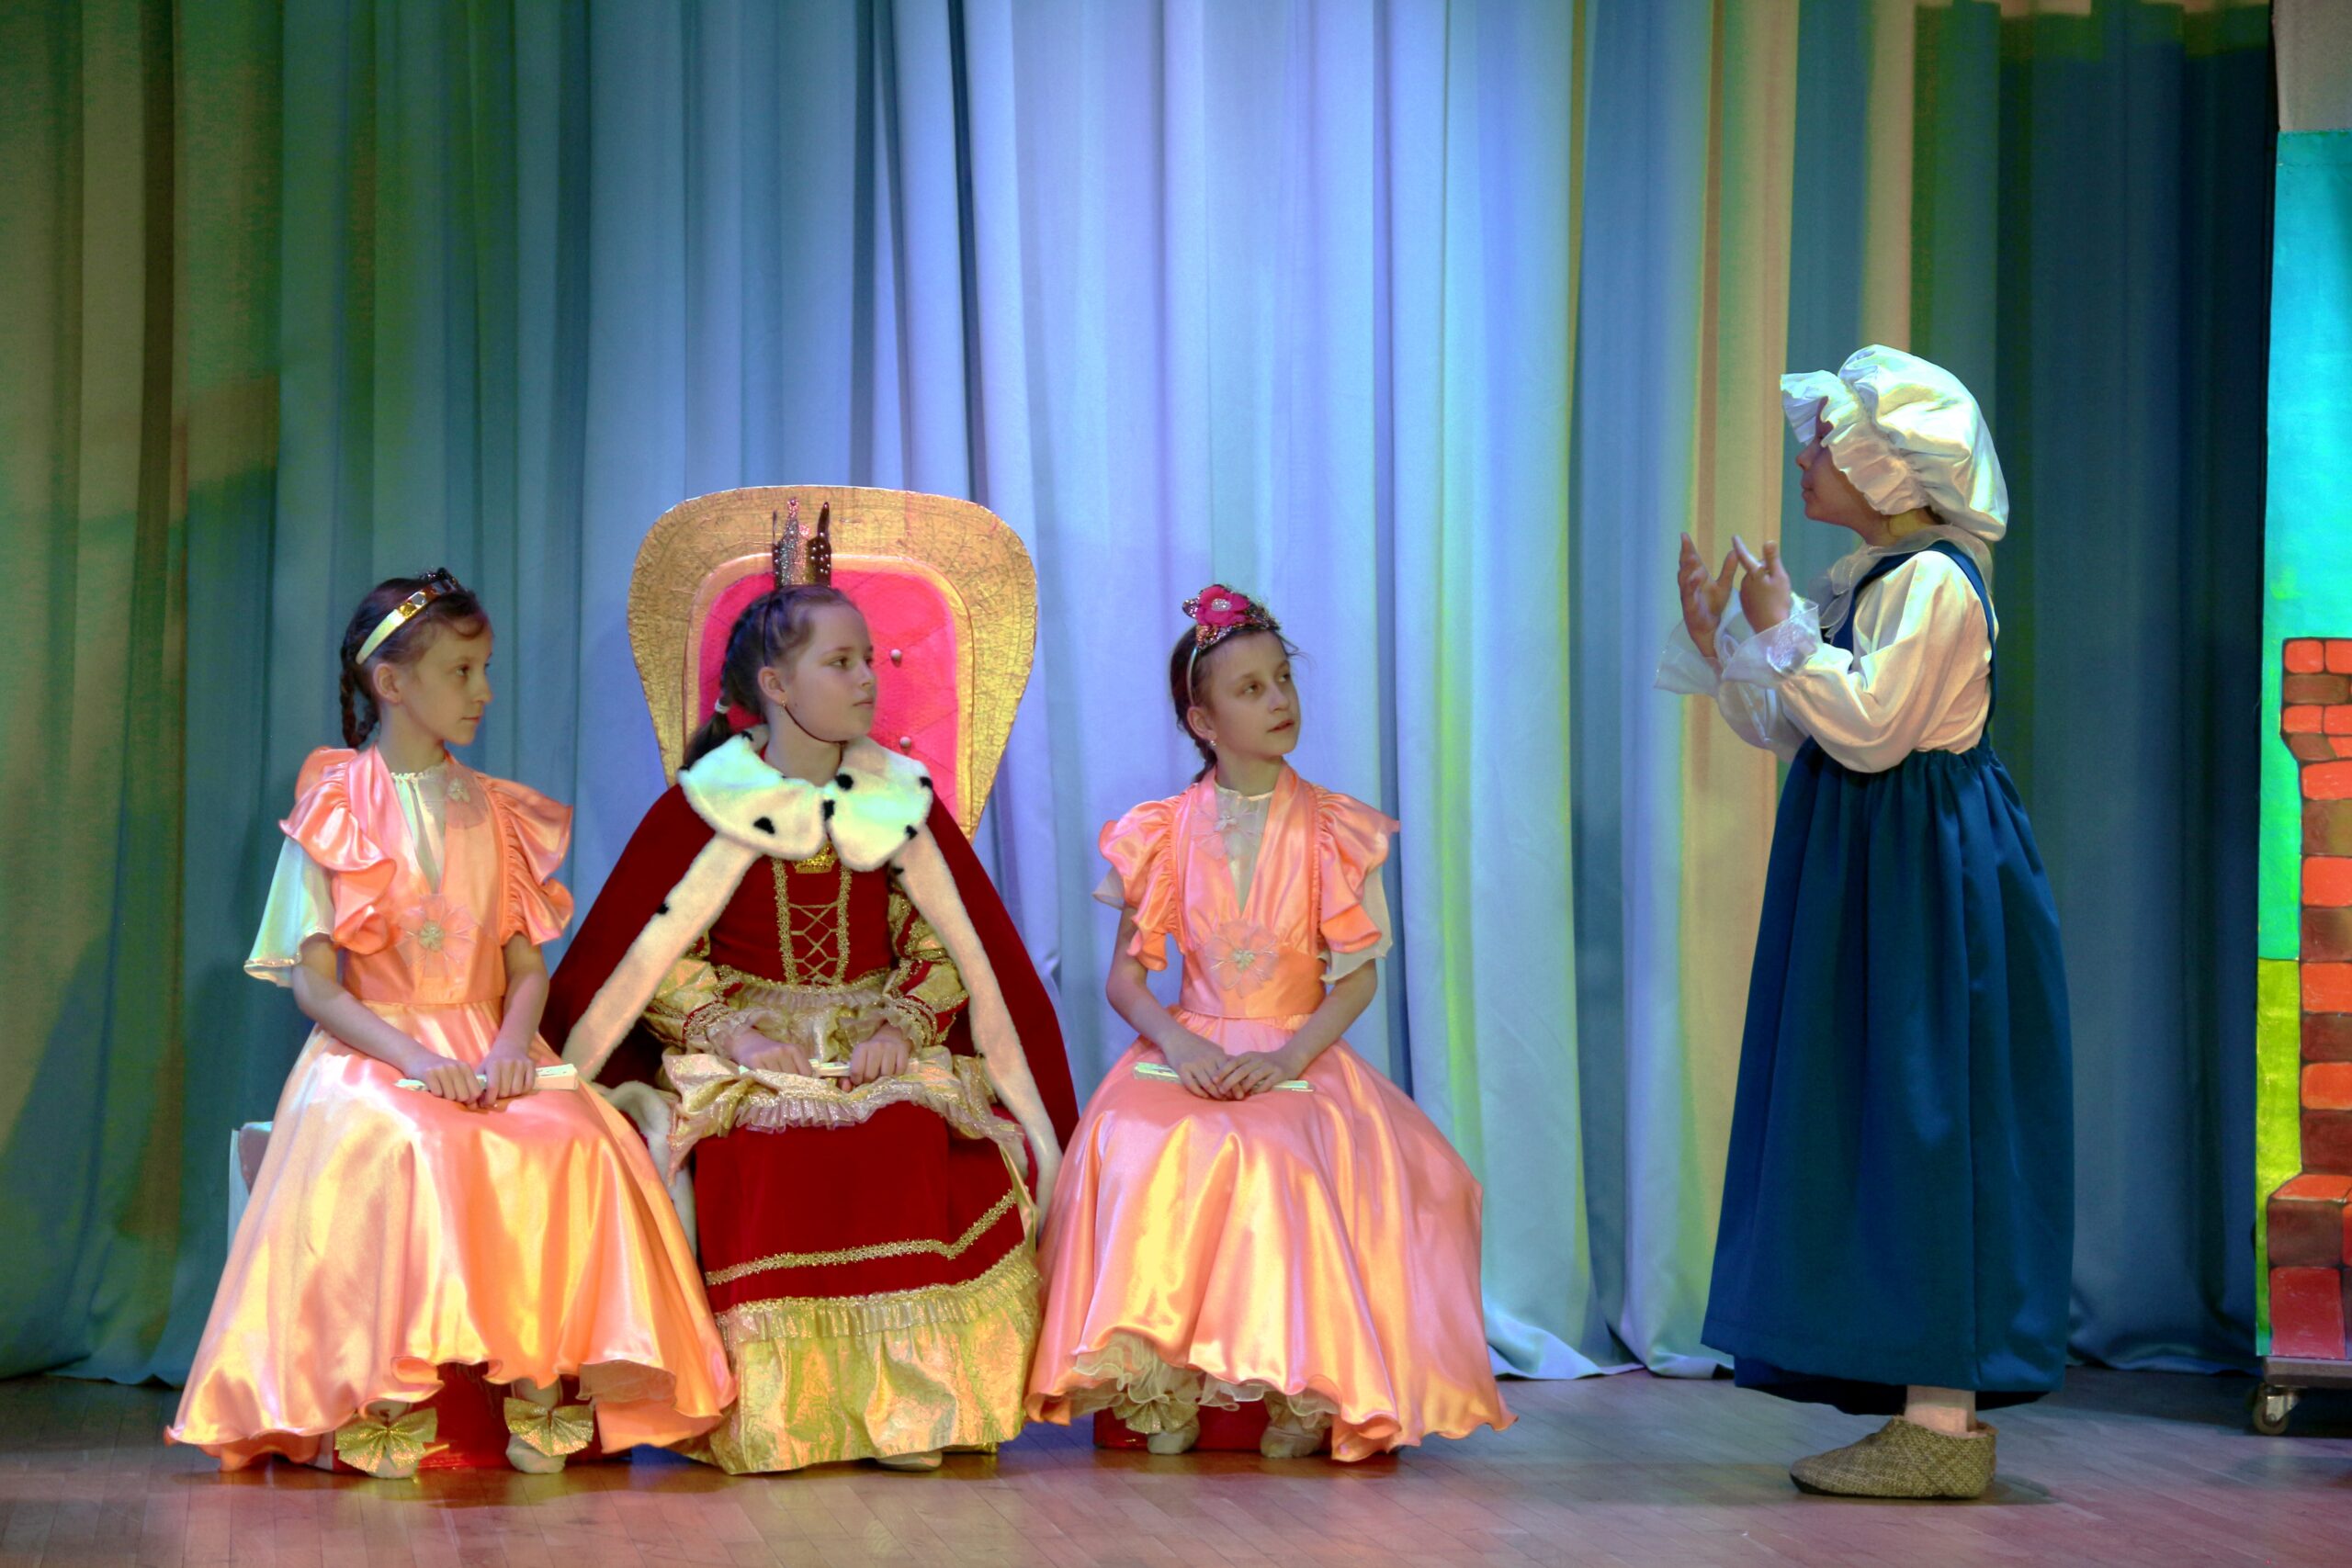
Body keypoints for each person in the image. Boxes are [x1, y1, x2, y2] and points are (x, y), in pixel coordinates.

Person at [168, 570, 733, 1478]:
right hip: (371, 1049)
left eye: (485, 669)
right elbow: (318, 987)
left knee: (574, 1138)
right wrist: (415, 1059)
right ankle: (387, 1397)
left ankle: (542, 1386)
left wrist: (511, 1044)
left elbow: (523, 968)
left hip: (487, 1041)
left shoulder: (494, 811)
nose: (484, 691)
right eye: (462, 671)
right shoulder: (336, 806)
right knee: (411, 1141)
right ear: (392, 683)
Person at [542, 524, 1077, 1474]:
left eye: (868, 658)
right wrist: (737, 1038)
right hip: (749, 1050)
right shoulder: (706, 805)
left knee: (906, 1129)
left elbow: (946, 946)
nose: (867, 679)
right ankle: (772, 1413)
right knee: (764, 1144)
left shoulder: (897, 801)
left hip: (875, 1043)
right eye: (840, 662)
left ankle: (913, 1409)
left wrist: (902, 1024)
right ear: (776, 686)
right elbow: (657, 956)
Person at [1658, 346, 2073, 1499]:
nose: (1804, 459)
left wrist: (1781, 629)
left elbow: (1876, 728)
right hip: (1865, 860)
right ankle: (1912, 1402)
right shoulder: (1869, 580)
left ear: (1888, 468)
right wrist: (1731, 639)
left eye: (1823, 444)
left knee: (1928, 1114)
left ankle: (1941, 1424)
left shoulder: (1936, 582)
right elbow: (1801, 728)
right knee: (1870, 1116)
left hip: (1924, 873)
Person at [1026, 584, 1512, 1461]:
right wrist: (1180, 1040)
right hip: (1191, 1042)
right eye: (1250, 688)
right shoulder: (1162, 831)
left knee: (1286, 1149)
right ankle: (1160, 1384)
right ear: (1203, 720)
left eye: (1283, 678)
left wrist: (1288, 1058)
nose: (1279, 699)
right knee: (1137, 1141)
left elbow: (1355, 981)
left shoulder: (1336, 828)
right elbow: (1126, 980)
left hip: (1297, 1045)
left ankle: (1302, 1385)